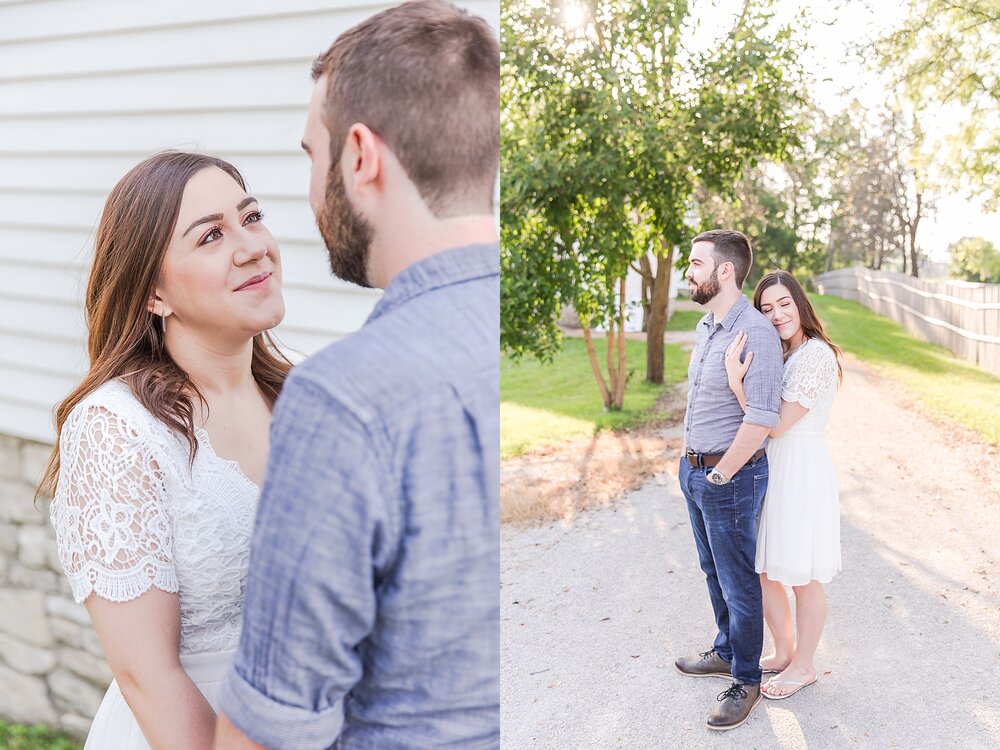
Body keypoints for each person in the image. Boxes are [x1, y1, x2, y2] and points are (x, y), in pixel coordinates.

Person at [213, 1, 500, 748]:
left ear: (361, 156)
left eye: (313, 154)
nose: (260, 240)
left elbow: (264, 734)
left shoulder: (345, 397)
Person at [40, 150, 291, 749]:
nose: (252, 245)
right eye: (211, 235)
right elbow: (146, 674)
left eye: (250, 217)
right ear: (154, 293)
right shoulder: (115, 430)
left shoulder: (306, 391)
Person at [673, 229, 784, 731]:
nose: (688, 272)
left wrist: (719, 473)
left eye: (696, 264)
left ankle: (747, 680)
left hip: (729, 475)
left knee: (739, 582)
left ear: (724, 271)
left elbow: (761, 418)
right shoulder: (706, 326)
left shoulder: (755, 332)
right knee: (712, 570)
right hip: (695, 470)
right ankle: (725, 649)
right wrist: (688, 462)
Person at [724, 269, 842, 700]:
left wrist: (737, 383)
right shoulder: (783, 353)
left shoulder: (816, 355)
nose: (776, 315)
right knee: (767, 570)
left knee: (802, 575)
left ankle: (805, 665)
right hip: (774, 467)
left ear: (800, 304)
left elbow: (774, 426)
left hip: (800, 469)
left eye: (784, 304)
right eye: (766, 308)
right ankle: (784, 650)